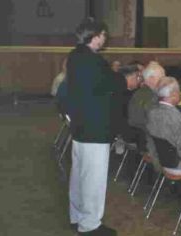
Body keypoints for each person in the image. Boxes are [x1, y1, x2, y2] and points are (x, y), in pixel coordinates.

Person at [67, 18, 117, 235]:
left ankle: (77, 215)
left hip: (79, 126)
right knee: (93, 179)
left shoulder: (74, 56)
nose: (105, 39)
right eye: (104, 35)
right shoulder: (94, 61)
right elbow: (111, 85)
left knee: (79, 175)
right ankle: (90, 225)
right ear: (95, 37)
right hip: (95, 127)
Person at [146, 76, 181, 174]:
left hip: (159, 160)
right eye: (178, 91)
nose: (180, 94)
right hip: (177, 164)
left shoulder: (152, 111)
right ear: (173, 94)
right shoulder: (174, 115)